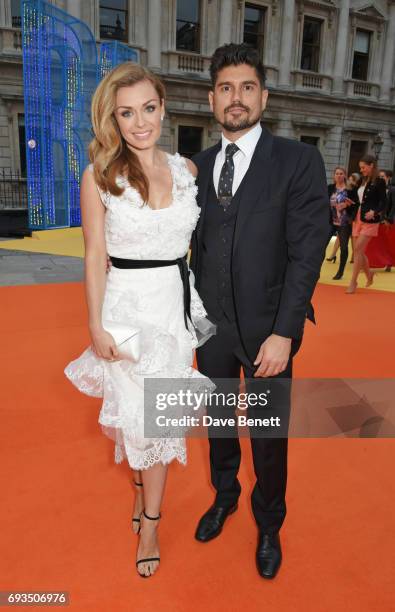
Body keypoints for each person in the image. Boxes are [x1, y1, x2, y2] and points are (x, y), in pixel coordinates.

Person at [64, 62, 214, 578]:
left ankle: (149, 518)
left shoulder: (187, 171)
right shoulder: (100, 176)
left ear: (163, 107)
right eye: (126, 113)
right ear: (113, 118)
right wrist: (95, 326)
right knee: (140, 422)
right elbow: (92, 256)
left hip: (172, 310)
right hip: (125, 314)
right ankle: (146, 509)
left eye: (148, 108)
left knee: (160, 422)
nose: (139, 122)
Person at [189, 44, 330, 579]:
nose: (236, 98)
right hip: (211, 332)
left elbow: (306, 254)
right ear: (211, 99)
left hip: (270, 330)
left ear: (264, 97)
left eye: (247, 87)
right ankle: (224, 495)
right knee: (220, 424)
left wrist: (285, 333)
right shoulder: (195, 168)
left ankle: (269, 521)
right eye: (226, 88)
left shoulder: (298, 161)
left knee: (268, 436)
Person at [346, 155, 387, 293]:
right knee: (359, 251)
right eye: (360, 167)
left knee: (357, 249)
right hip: (358, 217)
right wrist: (350, 203)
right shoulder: (363, 181)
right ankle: (369, 274)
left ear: (371, 166)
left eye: (363, 167)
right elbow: (360, 200)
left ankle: (353, 282)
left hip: (370, 220)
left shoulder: (379, 181)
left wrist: (374, 212)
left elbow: (384, 202)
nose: (361, 170)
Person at [327, 167, 359, 279]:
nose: (339, 175)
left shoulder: (350, 189)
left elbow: (356, 204)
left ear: (345, 175)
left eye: (341, 174)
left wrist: (351, 214)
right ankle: (315, 269)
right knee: (322, 245)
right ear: (334, 175)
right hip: (331, 221)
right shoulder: (330, 188)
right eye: (337, 173)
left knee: (344, 247)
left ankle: (340, 272)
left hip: (345, 222)